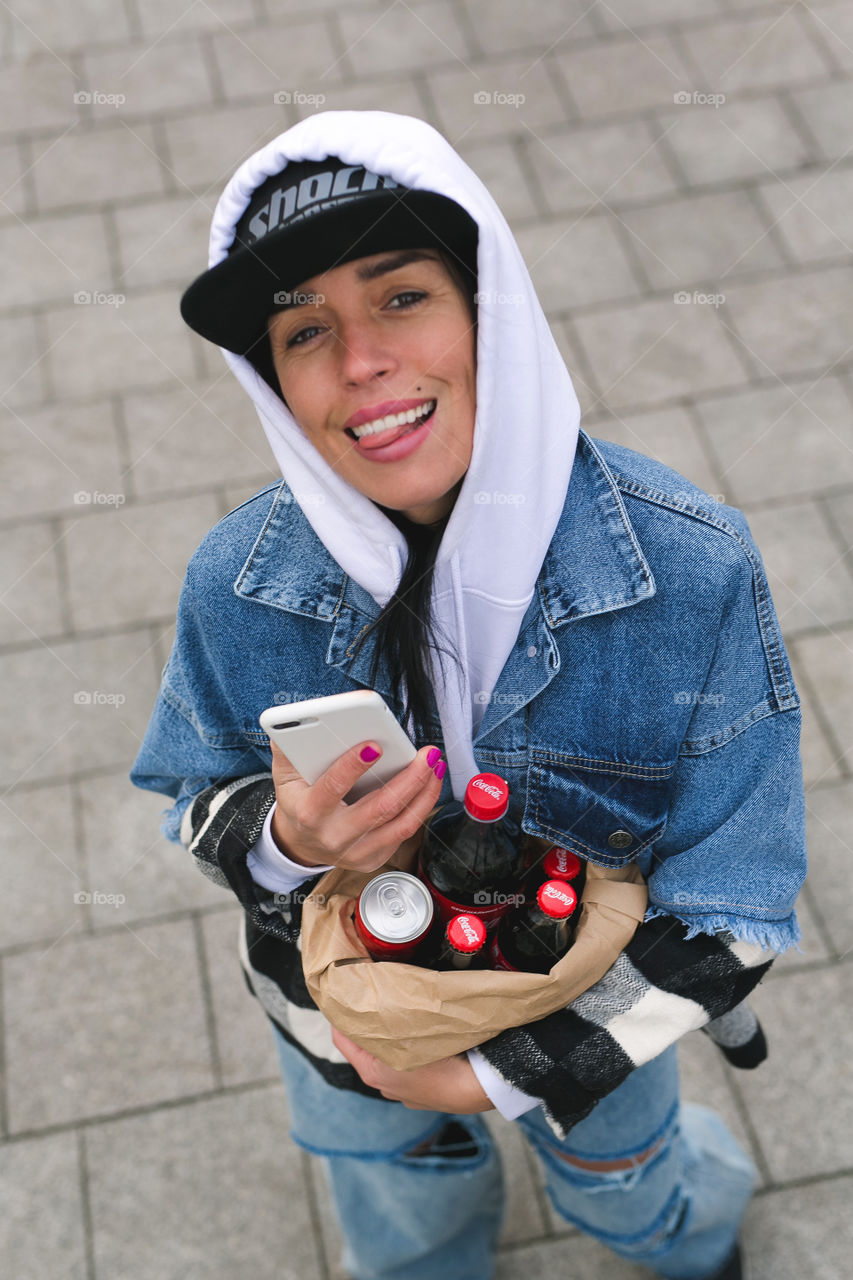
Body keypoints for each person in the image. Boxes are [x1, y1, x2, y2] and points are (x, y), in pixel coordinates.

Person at [130, 110, 806, 1280]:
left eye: (401, 297)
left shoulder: (690, 572)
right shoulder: (239, 589)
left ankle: (695, 1245)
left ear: (488, 306)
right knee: (402, 1215)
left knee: (639, 1199)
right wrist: (286, 837)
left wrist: (509, 1072)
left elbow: (734, 894)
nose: (360, 364)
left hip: (593, 1023)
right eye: (304, 330)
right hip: (341, 1024)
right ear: (272, 381)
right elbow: (197, 793)